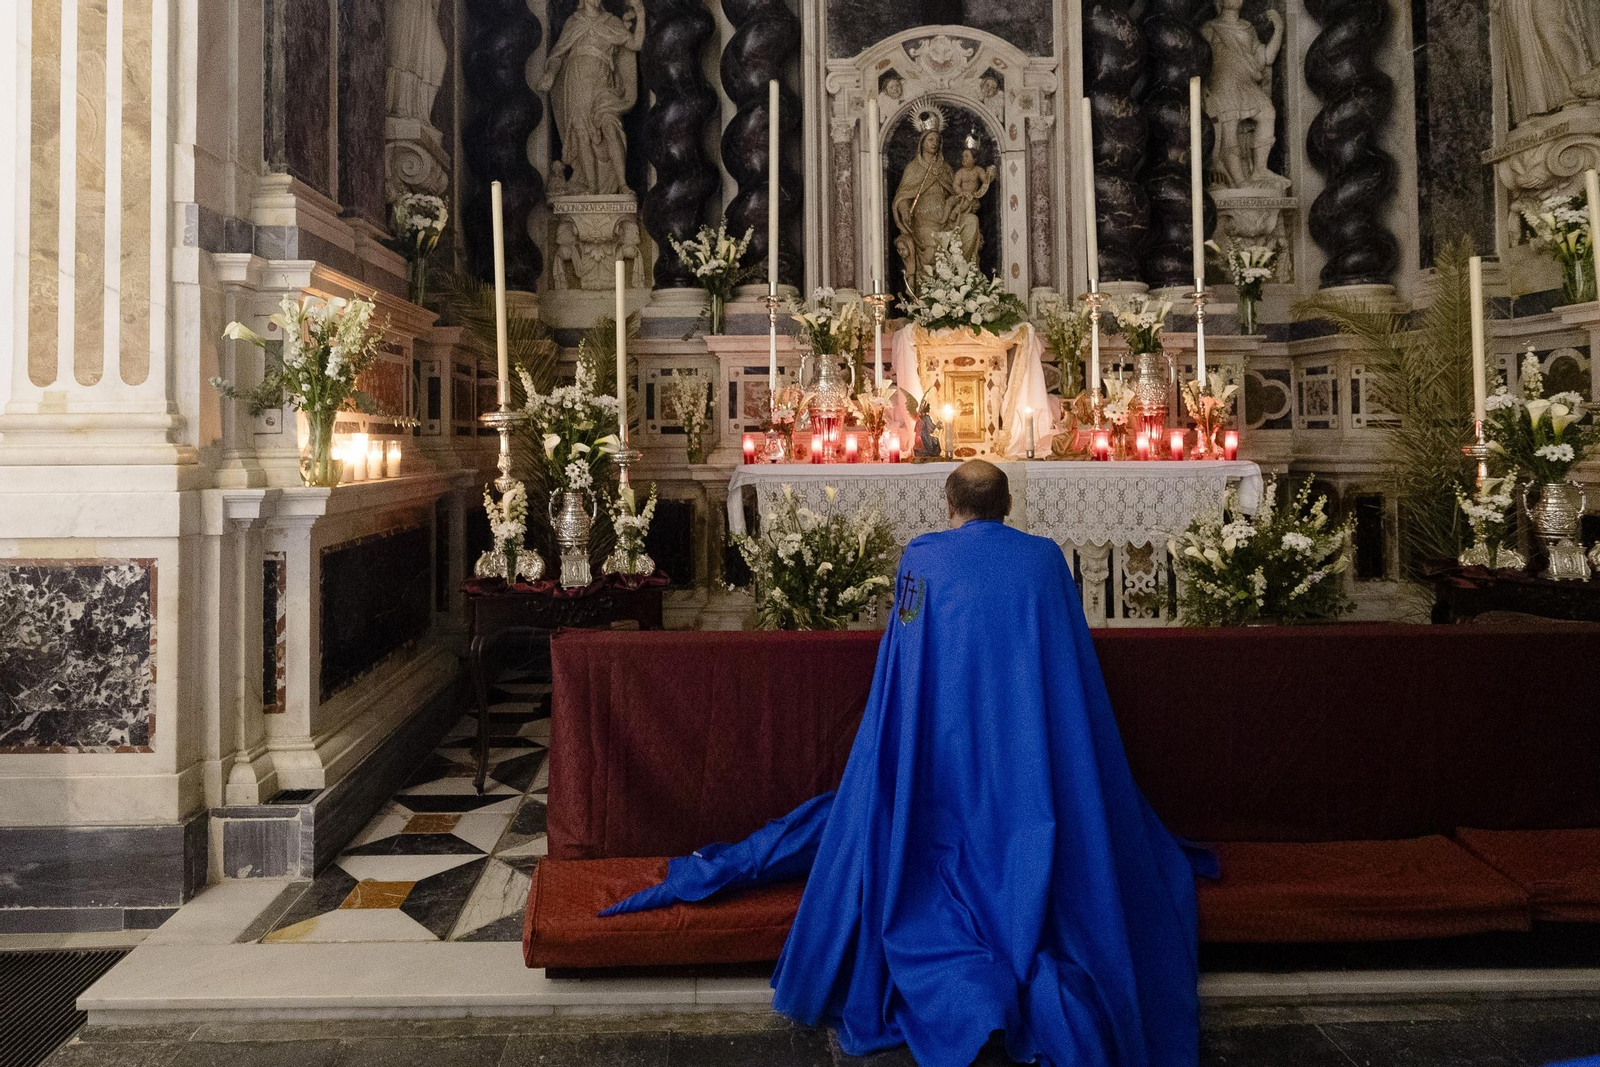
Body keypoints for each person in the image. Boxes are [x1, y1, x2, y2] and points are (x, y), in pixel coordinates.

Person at [603, 461, 1214, 1067]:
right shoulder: (1046, 559)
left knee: (876, 838)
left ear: (950, 505)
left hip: (941, 752)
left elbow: (907, 659)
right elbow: (1067, 663)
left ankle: (969, 994)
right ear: (1008, 506)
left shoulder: (924, 558)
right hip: (1033, 754)